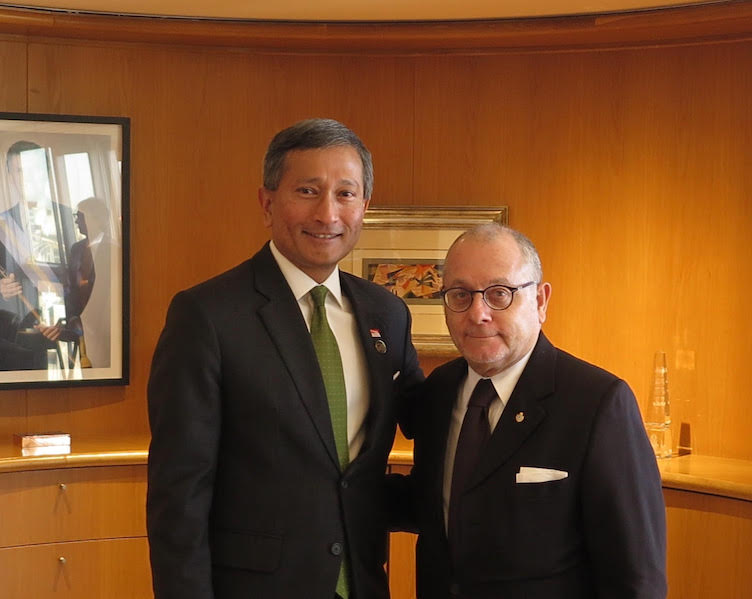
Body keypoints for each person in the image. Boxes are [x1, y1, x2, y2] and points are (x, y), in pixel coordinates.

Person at [146, 118, 423, 599]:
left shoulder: (387, 313)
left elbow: (429, 417)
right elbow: (179, 496)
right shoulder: (207, 316)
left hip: (362, 581)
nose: (327, 213)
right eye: (308, 191)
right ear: (267, 202)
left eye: (345, 194)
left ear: (365, 207)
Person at [403, 223, 667, 598]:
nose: (478, 313)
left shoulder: (597, 403)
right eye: (460, 294)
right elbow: (433, 508)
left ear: (541, 301)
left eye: (500, 294)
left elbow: (636, 577)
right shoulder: (438, 392)